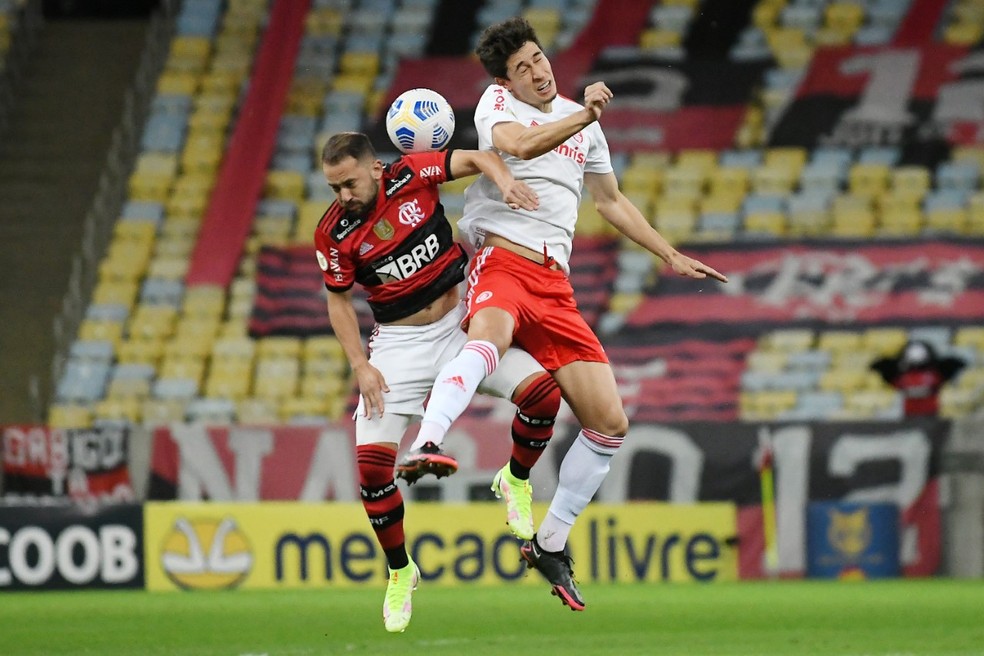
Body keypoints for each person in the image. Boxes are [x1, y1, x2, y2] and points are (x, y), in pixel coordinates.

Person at [399, 17, 728, 611]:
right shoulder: (498, 105)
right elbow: (520, 146)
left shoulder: (583, 122)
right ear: (505, 81)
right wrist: (586, 116)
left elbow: (610, 201)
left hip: (555, 286)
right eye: (522, 68)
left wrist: (670, 254)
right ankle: (428, 441)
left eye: (539, 58)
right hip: (502, 262)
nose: (537, 72)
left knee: (610, 423)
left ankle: (550, 542)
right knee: (489, 340)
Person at [314, 132, 562, 633]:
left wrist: (504, 180)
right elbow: (337, 299)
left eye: (349, 183)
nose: (343, 196)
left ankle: (514, 478)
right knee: (372, 472)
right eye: (334, 187)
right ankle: (400, 571)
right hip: (398, 347)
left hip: (460, 322)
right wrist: (360, 364)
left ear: (376, 168)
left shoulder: (412, 174)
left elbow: (478, 156)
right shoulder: (334, 233)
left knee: (543, 396)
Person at [871, 340, 966, 417]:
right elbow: (895, 383)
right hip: (909, 414)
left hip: (931, 413)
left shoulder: (934, 374)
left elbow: (941, 380)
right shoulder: (903, 377)